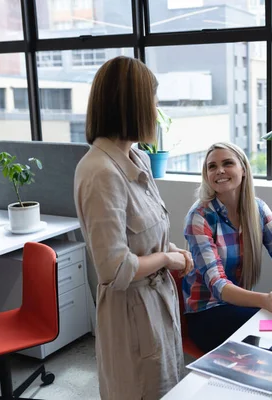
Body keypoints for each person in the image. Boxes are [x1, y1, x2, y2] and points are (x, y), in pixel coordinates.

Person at [74, 56, 193, 400]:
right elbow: (114, 268)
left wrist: (169, 250)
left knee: (167, 387)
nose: (156, 110)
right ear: (133, 104)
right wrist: (167, 261)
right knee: (142, 390)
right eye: (153, 101)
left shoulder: (136, 157)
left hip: (157, 304)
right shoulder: (100, 171)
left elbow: (146, 234)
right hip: (131, 313)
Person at [183, 142, 272, 353]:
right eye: (212, 166)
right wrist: (264, 300)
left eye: (227, 163)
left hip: (240, 307)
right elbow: (218, 285)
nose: (220, 171)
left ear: (243, 170)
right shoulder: (199, 217)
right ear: (206, 175)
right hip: (208, 314)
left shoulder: (257, 208)